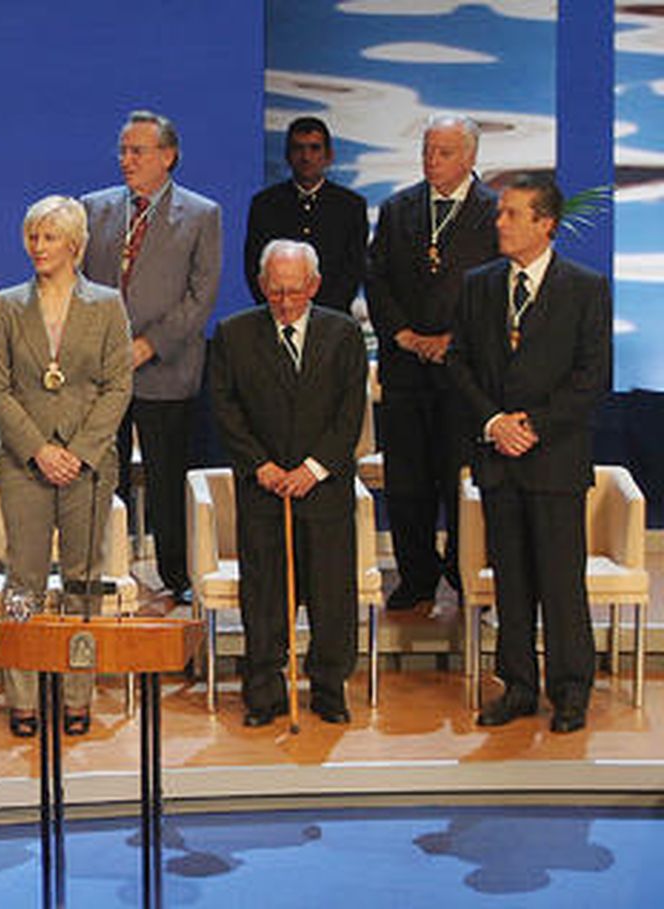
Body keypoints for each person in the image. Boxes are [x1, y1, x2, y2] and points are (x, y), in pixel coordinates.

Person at [448, 174, 612, 734]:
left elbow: (592, 377)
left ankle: (570, 691)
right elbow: (459, 363)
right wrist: (495, 423)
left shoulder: (585, 287)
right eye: (500, 212)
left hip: (555, 461)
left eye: (512, 214)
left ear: (546, 224)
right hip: (499, 458)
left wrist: (533, 427)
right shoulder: (478, 285)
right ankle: (518, 687)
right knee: (512, 583)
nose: (500, 222)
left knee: (561, 584)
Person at [0, 195, 132, 737]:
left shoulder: (107, 305)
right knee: (23, 580)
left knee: (83, 580)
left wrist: (81, 451)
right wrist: (38, 450)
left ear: (75, 245)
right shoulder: (7, 305)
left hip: (88, 466)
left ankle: (76, 693)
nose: (38, 247)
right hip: (25, 464)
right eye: (33, 236)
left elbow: (118, 385)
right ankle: (23, 695)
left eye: (49, 238)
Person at [209, 240, 366, 727]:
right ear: (262, 285)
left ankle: (329, 688)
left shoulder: (343, 334)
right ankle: (263, 691)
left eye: (294, 291)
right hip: (265, 490)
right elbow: (225, 409)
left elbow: (350, 414)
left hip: (324, 491)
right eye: (275, 291)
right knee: (264, 597)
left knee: (331, 595)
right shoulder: (234, 334)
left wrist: (313, 469)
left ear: (313, 286)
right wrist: (261, 465)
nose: (284, 301)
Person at [82, 110, 221, 606]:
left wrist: (147, 345)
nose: (126, 159)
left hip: (167, 369)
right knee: (103, 477)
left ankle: (177, 576)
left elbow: (200, 297)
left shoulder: (201, 214)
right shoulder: (94, 209)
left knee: (167, 479)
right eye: (122, 150)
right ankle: (104, 569)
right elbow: (78, 286)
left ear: (168, 156)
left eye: (137, 151)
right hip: (102, 373)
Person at [365, 113, 498, 612]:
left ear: (470, 156)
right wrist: (403, 334)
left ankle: (464, 574)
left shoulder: (494, 212)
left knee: (459, 478)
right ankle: (416, 576)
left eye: (443, 152)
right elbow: (376, 278)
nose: (431, 161)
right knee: (407, 482)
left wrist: (452, 340)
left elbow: (496, 287)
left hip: (464, 375)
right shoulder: (398, 208)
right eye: (426, 150)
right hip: (405, 369)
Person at [244, 117, 368, 313]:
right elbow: (254, 267)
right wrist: (281, 309)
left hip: (333, 319)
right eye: (298, 148)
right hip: (278, 316)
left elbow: (354, 270)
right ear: (287, 156)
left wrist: (322, 317)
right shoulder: (265, 204)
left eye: (314, 148)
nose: (306, 157)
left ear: (329, 156)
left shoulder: (351, 206)